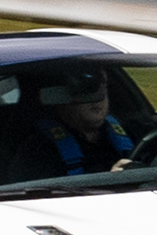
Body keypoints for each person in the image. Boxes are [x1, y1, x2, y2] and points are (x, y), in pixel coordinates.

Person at [7, 66, 138, 181]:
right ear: (59, 96)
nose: (97, 96)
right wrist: (110, 181)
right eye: (86, 88)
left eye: (102, 86)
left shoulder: (133, 132)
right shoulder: (38, 150)